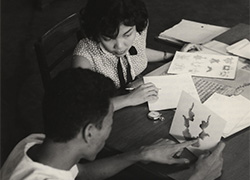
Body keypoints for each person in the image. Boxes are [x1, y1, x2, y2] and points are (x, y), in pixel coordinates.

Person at [1, 68, 225, 180]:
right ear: (90, 133)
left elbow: (81, 172)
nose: (110, 129)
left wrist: (140, 153)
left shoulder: (35, 144)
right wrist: (198, 177)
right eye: (109, 122)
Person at [73, 0, 174, 111]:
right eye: (108, 38)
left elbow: (138, 53)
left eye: (127, 35)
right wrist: (128, 99)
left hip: (135, 96)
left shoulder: (137, 27)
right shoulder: (84, 55)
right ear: (96, 33)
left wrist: (172, 56)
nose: (120, 47)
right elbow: (83, 106)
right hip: (107, 113)